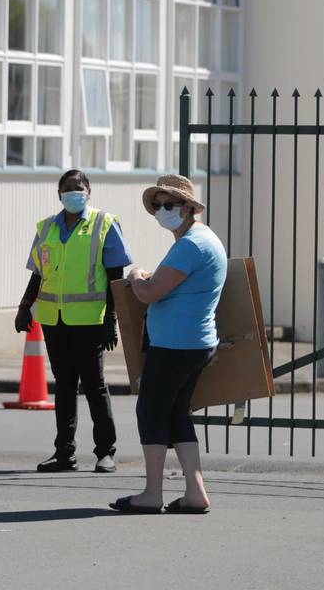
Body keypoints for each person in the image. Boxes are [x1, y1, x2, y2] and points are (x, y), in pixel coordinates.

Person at [110, 174, 226, 515]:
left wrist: (135, 276)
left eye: (170, 205)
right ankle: (195, 492)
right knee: (176, 414)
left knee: (151, 411)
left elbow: (149, 293)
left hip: (178, 344)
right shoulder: (198, 240)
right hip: (190, 341)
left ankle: (152, 493)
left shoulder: (192, 245)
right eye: (158, 205)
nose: (163, 211)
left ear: (189, 208)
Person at [14, 169, 132, 473]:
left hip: (91, 320)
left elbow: (115, 276)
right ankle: (64, 453)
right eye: (67, 188)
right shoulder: (46, 228)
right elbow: (38, 273)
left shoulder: (104, 224)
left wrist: (112, 319)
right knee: (64, 387)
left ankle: (106, 452)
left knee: (95, 387)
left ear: (89, 191)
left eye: (78, 188)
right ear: (58, 194)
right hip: (55, 320)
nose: (73, 192)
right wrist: (25, 306)